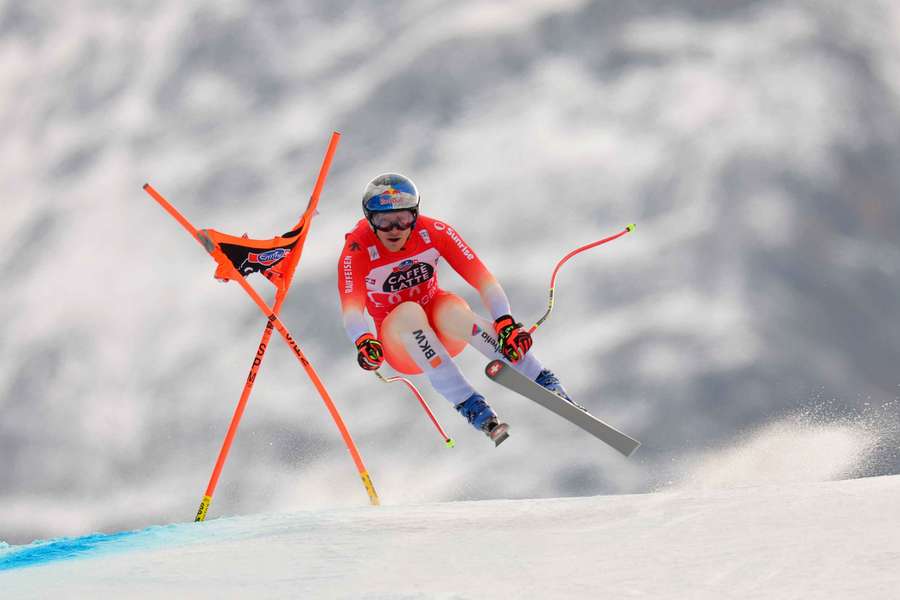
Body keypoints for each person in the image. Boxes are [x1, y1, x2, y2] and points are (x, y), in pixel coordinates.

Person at [337, 173, 574, 445]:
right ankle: (472, 406)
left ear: (415, 214)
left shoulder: (434, 232)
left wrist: (505, 322)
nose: (395, 230)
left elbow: (484, 280)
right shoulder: (357, 250)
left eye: (403, 219)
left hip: (443, 328)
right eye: (383, 221)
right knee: (409, 312)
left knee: (451, 308)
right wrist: (364, 341)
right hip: (403, 345)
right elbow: (351, 311)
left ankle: (543, 380)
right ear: (370, 219)